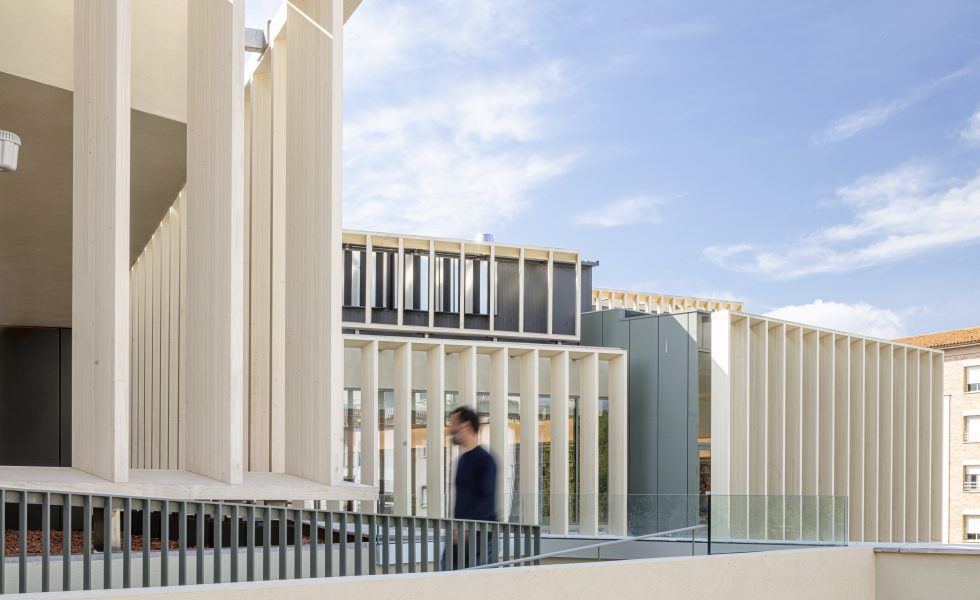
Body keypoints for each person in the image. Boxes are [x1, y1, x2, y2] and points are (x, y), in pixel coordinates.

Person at [443, 405, 496, 569]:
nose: (451, 429)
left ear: (465, 426)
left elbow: (486, 500)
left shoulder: (485, 460)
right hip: (461, 533)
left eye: (454, 424)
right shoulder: (462, 460)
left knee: (478, 585)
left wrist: (467, 530)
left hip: (479, 535)